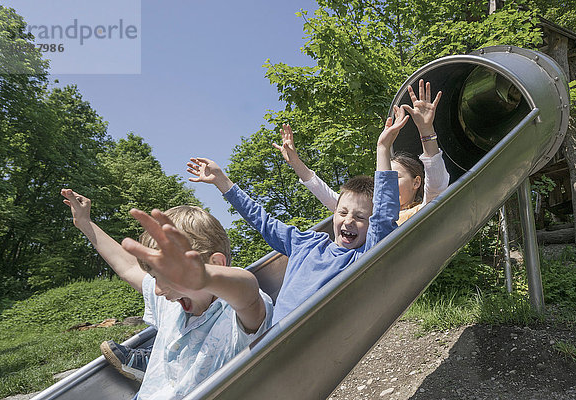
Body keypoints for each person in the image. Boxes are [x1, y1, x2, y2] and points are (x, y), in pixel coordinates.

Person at [186, 109, 406, 325]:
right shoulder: (307, 244)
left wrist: (383, 148)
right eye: (343, 212)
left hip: (313, 341)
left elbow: (384, 215)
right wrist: (223, 183)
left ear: (371, 224)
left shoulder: (363, 257)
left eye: (360, 217)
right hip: (274, 337)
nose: (348, 221)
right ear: (335, 214)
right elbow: (263, 221)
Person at [61, 189, 273, 399]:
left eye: (171, 278)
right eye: (155, 278)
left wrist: (205, 276)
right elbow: (127, 267)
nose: (158, 290)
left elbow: (248, 296)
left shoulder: (235, 316)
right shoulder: (173, 304)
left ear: (216, 265)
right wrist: (85, 223)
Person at [273, 79, 450, 226]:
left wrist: (426, 130)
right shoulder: (371, 212)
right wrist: (295, 162)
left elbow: (436, 182)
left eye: (394, 177)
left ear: (416, 182)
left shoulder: (426, 207)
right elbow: (329, 197)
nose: (386, 184)